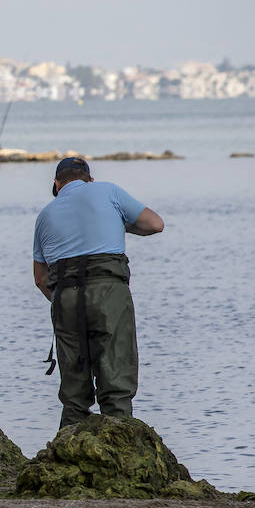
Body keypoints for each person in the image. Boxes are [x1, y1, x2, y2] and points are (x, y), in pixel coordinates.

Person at [32, 156, 164, 430]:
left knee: (74, 394)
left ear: (57, 184)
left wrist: (61, 300)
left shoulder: (45, 215)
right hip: (108, 292)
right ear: (89, 179)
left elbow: (40, 277)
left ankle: (64, 456)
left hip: (65, 298)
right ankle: (120, 450)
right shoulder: (107, 191)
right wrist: (120, 223)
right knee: (116, 382)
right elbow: (155, 224)